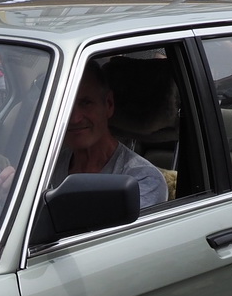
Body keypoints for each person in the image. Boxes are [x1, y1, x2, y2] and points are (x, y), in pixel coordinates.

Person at [53, 62, 167, 211]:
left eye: (86, 103)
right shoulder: (49, 167)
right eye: (65, 105)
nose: (75, 118)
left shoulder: (142, 180)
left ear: (109, 104)